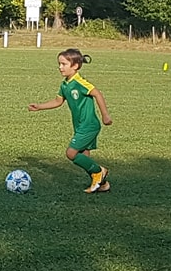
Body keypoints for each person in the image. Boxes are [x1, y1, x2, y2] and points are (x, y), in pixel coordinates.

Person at [27, 48, 113, 193]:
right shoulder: (65, 84)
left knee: (71, 153)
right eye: (59, 64)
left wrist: (105, 115)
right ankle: (103, 185)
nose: (60, 67)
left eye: (64, 64)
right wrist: (39, 107)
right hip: (80, 126)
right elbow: (57, 101)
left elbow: (97, 94)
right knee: (85, 156)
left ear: (75, 66)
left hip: (89, 125)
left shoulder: (80, 82)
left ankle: (100, 171)